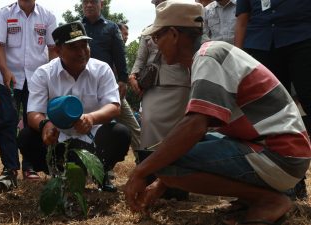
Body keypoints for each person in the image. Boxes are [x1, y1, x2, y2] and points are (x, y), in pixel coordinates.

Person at [124, 1, 311, 225]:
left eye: (157, 38)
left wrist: (141, 172)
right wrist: (160, 184)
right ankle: (251, 198)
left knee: (164, 164)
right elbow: (199, 131)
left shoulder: (208, 57)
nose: (156, 45)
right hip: (280, 152)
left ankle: (268, 200)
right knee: (172, 152)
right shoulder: (209, 54)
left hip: (281, 155)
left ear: (173, 34)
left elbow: (195, 126)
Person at [17, 21, 131, 192]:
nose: (81, 53)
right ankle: (59, 173)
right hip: (58, 142)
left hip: (94, 141)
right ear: (57, 51)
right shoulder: (44, 74)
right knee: (27, 136)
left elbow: (114, 106)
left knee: (120, 134)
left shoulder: (102, 69)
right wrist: (45, 125)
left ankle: (101, 173)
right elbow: (33, 112)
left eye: (84, 45)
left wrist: (91, 118)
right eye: (73, 48)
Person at [235, 0, 311, 200]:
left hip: (303, 38)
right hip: (261, 44)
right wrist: (237, 57)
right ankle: (291, 184)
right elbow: (242, 19)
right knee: (272, 115)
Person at [0, 0, 57, 189]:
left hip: (37, 80)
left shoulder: (47, 15)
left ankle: (30, 166)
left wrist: (50, 78)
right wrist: (5, 71)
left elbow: (53, 49)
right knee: (7, 122)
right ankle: (10, 169)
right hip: (9, 78)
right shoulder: (4, 13)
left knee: (33, 124)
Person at [128, 0, 191, 200]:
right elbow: (140, 60)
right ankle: (149, 180)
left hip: (180, 85)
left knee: (177, 134)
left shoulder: (185, 28)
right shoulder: (148, 32)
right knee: (150, 127)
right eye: (156, 1)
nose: (159, 3)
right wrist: (133, 75)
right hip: (152, 86)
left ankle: (178, 186)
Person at [81, 0, 141, 153]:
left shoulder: (111, 27)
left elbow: (119, 54)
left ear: (101, 4)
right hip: (81, 85)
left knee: (132, 126)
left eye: (92, 2)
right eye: (85, 2)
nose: (88, 5)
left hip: (108, 86)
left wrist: (122, 80)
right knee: (86, 123)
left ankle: (144, 161)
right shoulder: (77, 27)